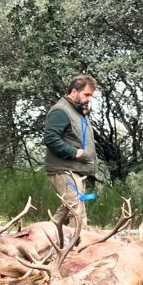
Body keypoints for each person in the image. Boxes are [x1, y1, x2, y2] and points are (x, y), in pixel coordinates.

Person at [43, 75, 98, 231]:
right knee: (77, 212)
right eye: (86, 94)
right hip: (64, 171)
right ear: (74, 91)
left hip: (75, 171)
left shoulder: (78, 112)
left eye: (91, 96)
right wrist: (74, 153)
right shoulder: (61, 111)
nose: (89, 99)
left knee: (67, 210)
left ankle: (44, 236)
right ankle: (77, 249)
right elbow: (50, 138)